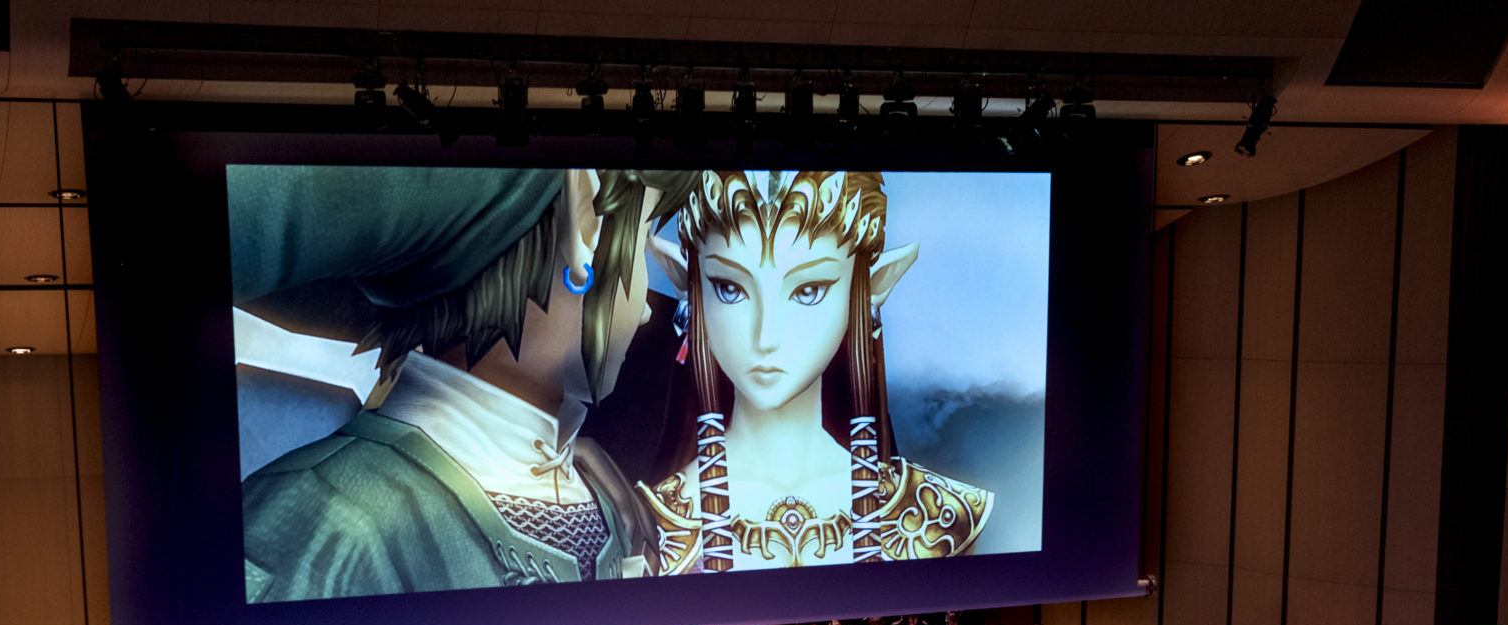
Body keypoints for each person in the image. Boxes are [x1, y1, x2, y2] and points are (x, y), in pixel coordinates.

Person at [239, 168, 696, 600]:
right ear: (583, 226)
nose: (645, 311)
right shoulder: (331, 527)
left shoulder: (603, 505)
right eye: (641, 246)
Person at [639, 170, 993, 573]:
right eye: (730, 288)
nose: (766, 336)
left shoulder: (938, 518)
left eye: (808, 291)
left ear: (870, 288)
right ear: (689, 287)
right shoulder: (644, 525)